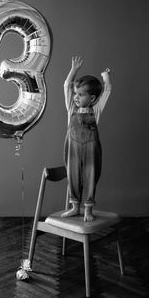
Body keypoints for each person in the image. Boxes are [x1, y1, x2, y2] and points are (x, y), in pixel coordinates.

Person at [61, 56, 111, 222]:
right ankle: (75, 207)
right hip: (73, 148)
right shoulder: (71, 108)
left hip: (91, 149)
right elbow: (67, 86)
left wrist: (105, 78)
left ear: (92, 99)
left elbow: (107, 91)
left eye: (81, 95)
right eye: (76, 93)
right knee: (73, 175)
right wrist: (73, 70)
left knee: (90, 176)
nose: (76, 97)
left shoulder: (96, 110)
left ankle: (87, 209)